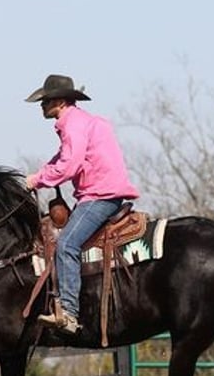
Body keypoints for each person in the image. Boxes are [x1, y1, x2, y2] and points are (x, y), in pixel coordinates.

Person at [25, 74, 139, 334]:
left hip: (99, 196)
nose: (41, 106)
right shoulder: (84, 121)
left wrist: (37, 181)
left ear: (61, 101)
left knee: (66, 244)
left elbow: (69, 164)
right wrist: (39, 175)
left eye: (45, 101)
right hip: (105, 192)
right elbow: (62, 159)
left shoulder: (72, 125)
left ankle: (69, 313)